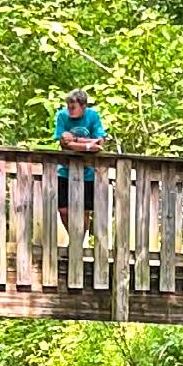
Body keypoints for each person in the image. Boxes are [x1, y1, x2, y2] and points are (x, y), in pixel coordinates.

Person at [54, 89, 107, 251]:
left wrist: (76, 140)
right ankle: (74, 239)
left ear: (83, 106)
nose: (69, 110)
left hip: (88, 171)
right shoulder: (62, 116)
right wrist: (88, 145)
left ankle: (77, 244)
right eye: (68, 107)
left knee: (84, 210)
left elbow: (100, 143)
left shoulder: (93, 116)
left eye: (73, 107)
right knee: (63, 209)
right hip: (65, 169)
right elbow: (63, 143)